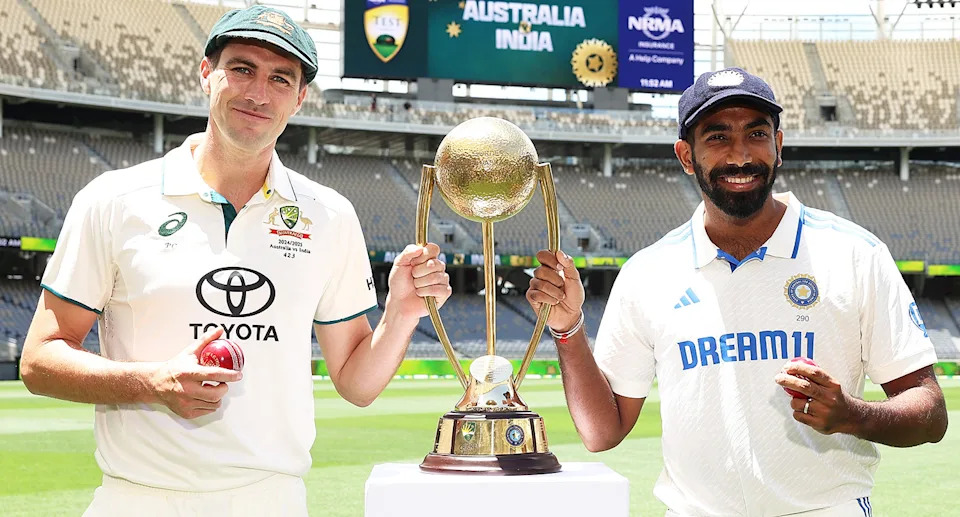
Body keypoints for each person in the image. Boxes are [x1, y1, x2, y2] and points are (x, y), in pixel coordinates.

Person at [19, 6, 451, 516]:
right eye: (242, 68)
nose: (258, 93)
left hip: (270, 500)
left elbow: (357, 384)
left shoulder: (329, 215)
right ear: (208, 73)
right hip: (137, 498)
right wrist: (151, 382)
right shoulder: (114, 199)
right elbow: (39, 360)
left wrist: (401, 312)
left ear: (300, 97)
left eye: (280, 78)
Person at [526, 67, 947, 516]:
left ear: (778, 146)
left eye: (757, 133)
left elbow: (931, 412)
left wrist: (853, 415)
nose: (741, 155)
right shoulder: (647, 272)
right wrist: (568, 329)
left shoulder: (854, 253)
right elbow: (601, 432)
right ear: (686, 156)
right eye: (718, 137)